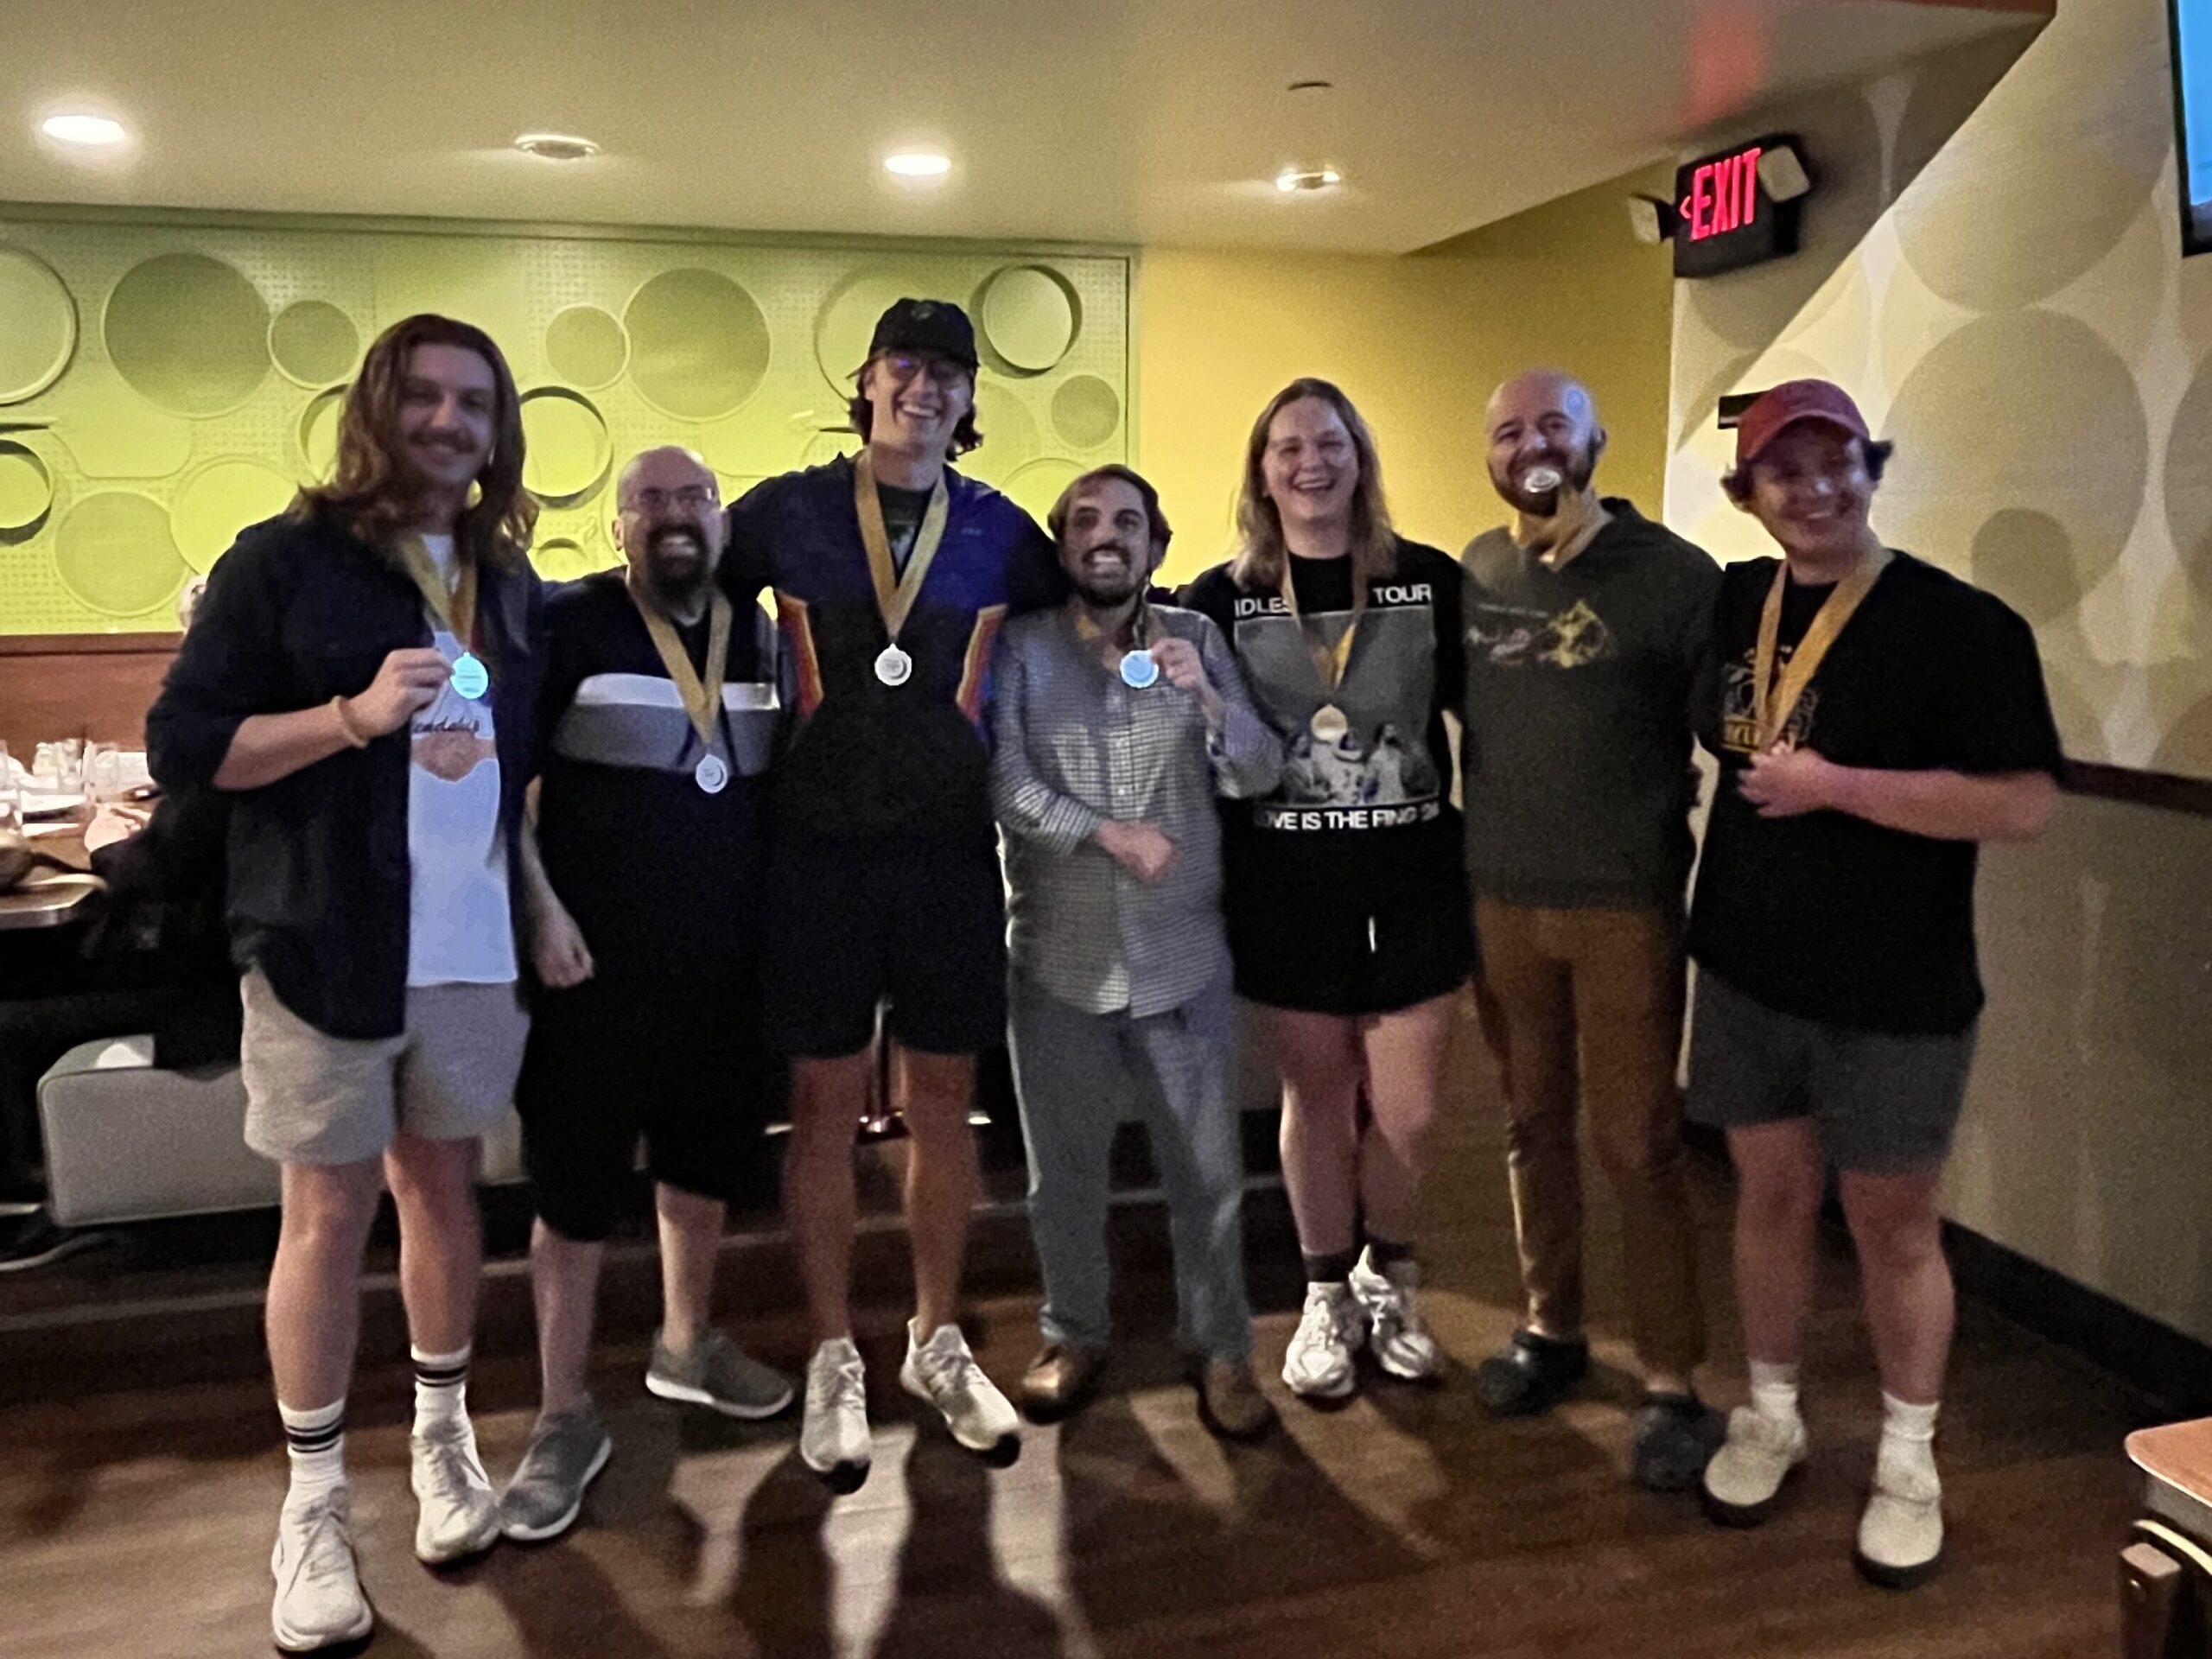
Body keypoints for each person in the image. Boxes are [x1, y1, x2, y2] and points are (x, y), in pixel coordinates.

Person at [147, 315, 543, 1652]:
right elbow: (191, 749)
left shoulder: (509, 578)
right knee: (325, 1212)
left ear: (498, 431)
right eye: (424, 397)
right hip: (327, 939)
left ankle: (442, 1437)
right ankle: (313, 1496)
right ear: (378, 408)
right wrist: (351, 720)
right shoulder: (281, 564)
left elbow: (516, 778)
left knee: (443, 1186)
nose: (448, 423)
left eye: (474, 404)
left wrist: (536, 901)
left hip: (472, 948)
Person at [1688, 380, 2059, 1587]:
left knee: (1894, 1226)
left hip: (1896, 986)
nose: (1814, 487)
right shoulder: (1735, 601)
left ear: (1870, 467)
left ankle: (1909, 1456)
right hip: (1745, 967)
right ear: (1749, 496)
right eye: (1783, 470)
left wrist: (1839, 785)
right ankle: (1774, 1413)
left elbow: (2022, 803)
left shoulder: (1963, 626)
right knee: (1769, 1198)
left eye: (1835, 459)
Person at [719, 298, 1058, 1489]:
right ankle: (829, 1352)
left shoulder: (1007, 533)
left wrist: (1158, 665)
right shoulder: (789, 512)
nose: (924, 389)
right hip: (812, 852)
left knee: (946, 1105)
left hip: (951, 859)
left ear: (970, 401)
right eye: (903, 368)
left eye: (947, 374)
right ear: (865, 382)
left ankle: (935, 1336)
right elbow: (664, 589)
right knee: (818, 1110)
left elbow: (1102, 629)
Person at [497, 446, 793, 1543]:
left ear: (721, 519)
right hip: (591, 969)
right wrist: (539, 910)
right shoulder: (566, 623)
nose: (673, 517)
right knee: (574, 1195)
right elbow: (495, 779)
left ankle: (685, 1342)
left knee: (701, 1167)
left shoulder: (764, 633)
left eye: (693, 500)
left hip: (725, 969)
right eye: (650, 502)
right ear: (619, 525)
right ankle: (563, 1412)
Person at [1181, 378, 1474, 1402]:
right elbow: (1173, 719)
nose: (1310, 461)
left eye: (1330, 441)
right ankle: (1320, 1293)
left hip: (1416, 879)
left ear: (1360, 456)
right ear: (1261, 473)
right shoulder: (1220, 597)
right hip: (1285, 884)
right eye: (1286, 447)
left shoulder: (1431, 581)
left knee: (1411, 1111)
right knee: (1316, 1097)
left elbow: (1490, 724)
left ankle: (1387, 1277)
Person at [1459, 370, 1724, 1489]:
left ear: (1596, 439)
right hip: (1499, 895)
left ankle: (1672, 1381)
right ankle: (1549, 1329)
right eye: (1509, 427)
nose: (1532, 444)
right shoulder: (1476, 569)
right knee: (1531, 1126)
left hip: (1624, 905)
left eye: (1552, 424)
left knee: (1638, 1144)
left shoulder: (1676, 579)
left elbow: (1731, 729)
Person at [991, 464, 1281, 1440]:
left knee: (1206, 1176)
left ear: (1155, 546)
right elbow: (1008, 787)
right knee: (1061, 1176)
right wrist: (1106, 833)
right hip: (1057, 966)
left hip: (1182, 964)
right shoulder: (1022, 649)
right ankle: (1073, 1332)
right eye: (1083, 521)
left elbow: (1257, 769)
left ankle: (1224, 1348)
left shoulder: (1195, 638)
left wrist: (1212, 704)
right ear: (1063, 545)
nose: (1104, 536)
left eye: (1125, 522)